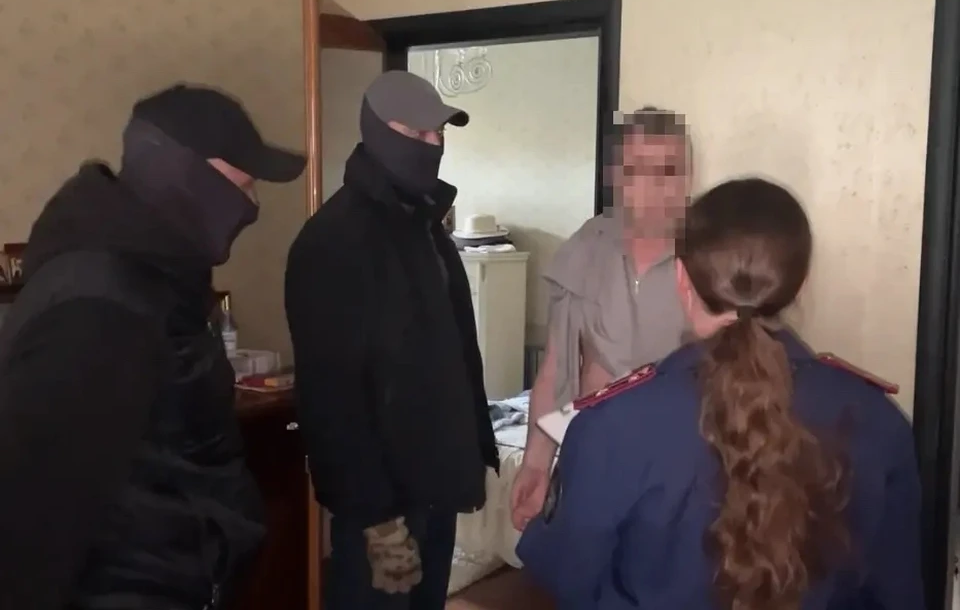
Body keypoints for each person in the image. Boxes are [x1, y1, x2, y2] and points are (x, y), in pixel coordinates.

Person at [516, 177, 923, 609]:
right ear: (801, 284)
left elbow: (569, 579)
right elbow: (899, 595)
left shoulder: (609, 427)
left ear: (681, 279)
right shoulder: (880, 422)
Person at [0, 83, 307, 610]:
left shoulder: (154, 279)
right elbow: (34, 523)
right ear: (184, 176)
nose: (252, 205)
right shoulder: (99, 306)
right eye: (243, 184)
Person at [285, 70, 499, 610]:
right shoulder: (334, 240)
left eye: (439, 134)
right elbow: (330, 398)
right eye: (417, 133)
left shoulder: (427, 230)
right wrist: (376, 518)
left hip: (436, 487)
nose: (433, 145)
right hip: (381, 505)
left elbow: (454, 356)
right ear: (378, 131)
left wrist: (476, 452)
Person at [511, 107, 693, 530]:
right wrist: (537, 463)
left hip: (681, 475)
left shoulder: (712, 257)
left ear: (688, 177)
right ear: (616, 177)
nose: (653, 187)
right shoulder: (586, 247)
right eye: (637, 169)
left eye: (668, 170)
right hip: (593, 459)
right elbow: (557, 371)